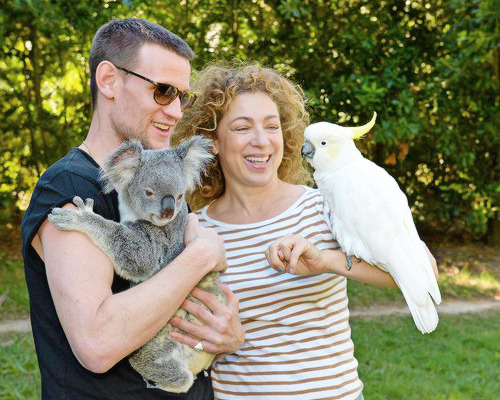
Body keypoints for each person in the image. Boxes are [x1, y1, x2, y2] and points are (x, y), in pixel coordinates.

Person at [170, 63, 438, 400]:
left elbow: (424, 270)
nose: (261, 140)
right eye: (242, 128)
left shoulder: (324, 205)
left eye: (272, 126)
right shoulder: (195, 230)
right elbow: (182, 338)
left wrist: (325, 260)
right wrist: (221, 343)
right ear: (213, 142)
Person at [21, 18, 244, 400]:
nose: (175, 111)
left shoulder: (160, 179)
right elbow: (97, 343)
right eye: (162, 91)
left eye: (182, 97)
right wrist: (202, 254)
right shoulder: (70, 187)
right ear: (108, 80)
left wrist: (227, 334)